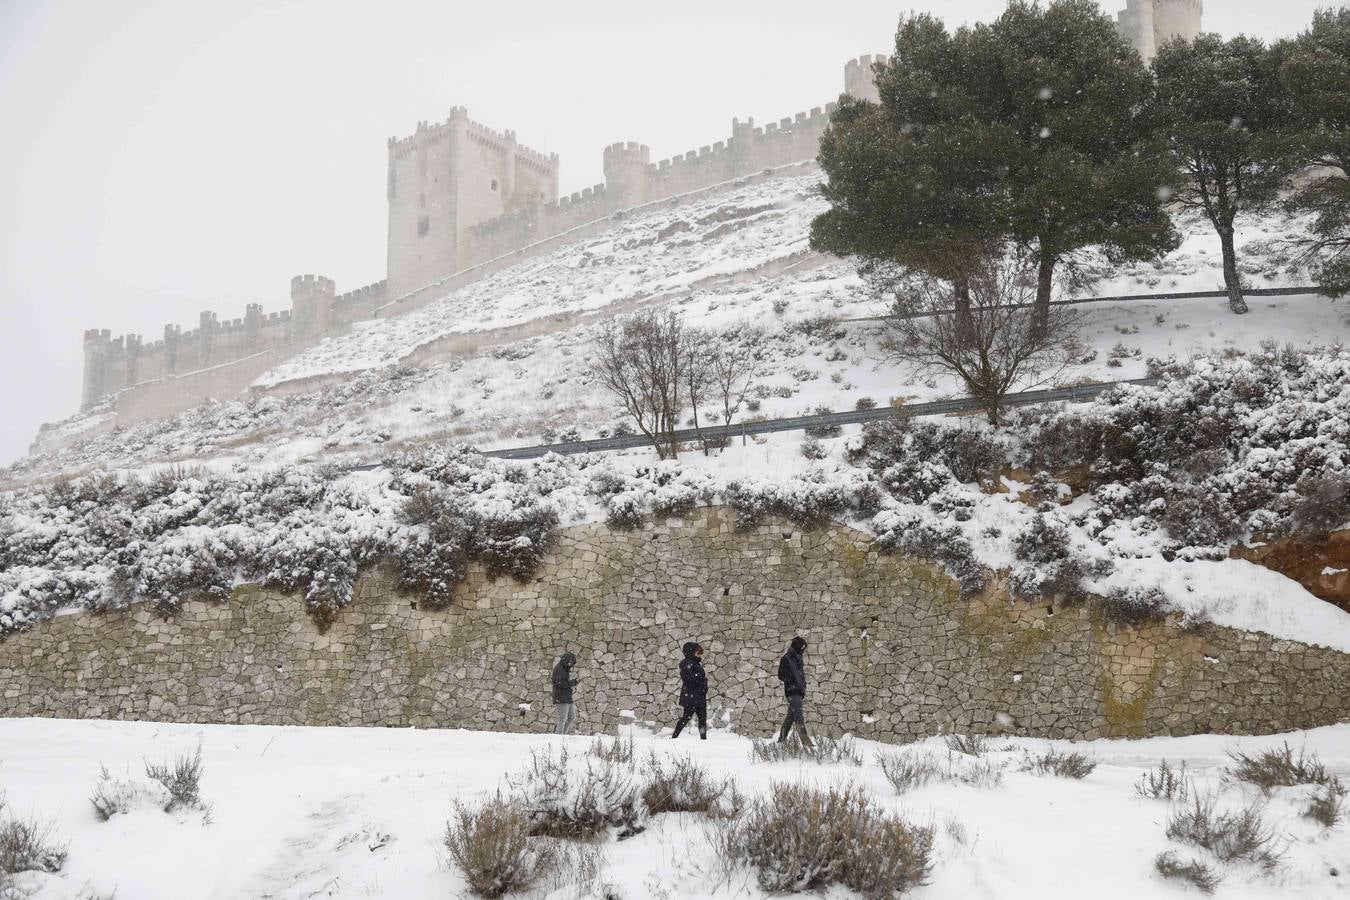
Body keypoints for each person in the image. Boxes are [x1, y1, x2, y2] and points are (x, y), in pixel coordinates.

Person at [776, 635, 813, 748]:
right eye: (802, 648)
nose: (803, 650)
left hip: (799, 691)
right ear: (797, 647)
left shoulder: (798, 658)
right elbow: (780, 675)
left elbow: (800, 675)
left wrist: (803, 686)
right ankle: (806, 743)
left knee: (790, 717)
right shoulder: (786, 658)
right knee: (798, 716)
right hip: (792, 691)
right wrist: (791, 681)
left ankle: (781, 741)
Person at [671, 642, 708, 740]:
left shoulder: (696, 663)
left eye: (700, 652)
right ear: (691, 652)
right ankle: (674, 737)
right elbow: (687, 679)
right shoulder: (686, 663)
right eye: (698, 652)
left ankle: (704, 740)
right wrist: (703, 676)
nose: (699, 654)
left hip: (699, 696)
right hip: (691, 696)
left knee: (702, 720)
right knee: (686, 717)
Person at [552, 650, 579, 735]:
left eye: (572, 663)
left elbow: (566, 682)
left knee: (571, 717)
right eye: (570, 662)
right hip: (560, 697)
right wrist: (571, 683)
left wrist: (573, 681)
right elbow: (559, 682)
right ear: (566, 660)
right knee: (562, 719)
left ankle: (562, 734)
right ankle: (559, 736)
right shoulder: (559, 669)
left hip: (567, 697)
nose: (571, 664)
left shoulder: (566, 670)